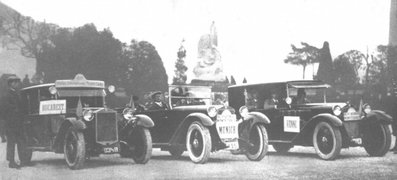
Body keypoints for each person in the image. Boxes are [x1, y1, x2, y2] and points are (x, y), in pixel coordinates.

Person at [2, 76, 27, 169]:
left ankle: (22, 160)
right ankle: (11, 162)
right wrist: (16, 111)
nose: (17, 84)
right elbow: (5, 109)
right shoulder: (7, 95)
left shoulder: (15, 93)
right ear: (11, 83)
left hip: (17, 122)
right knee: (12, 142)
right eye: (15, 82)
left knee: (20, 141)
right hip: (11, 123)